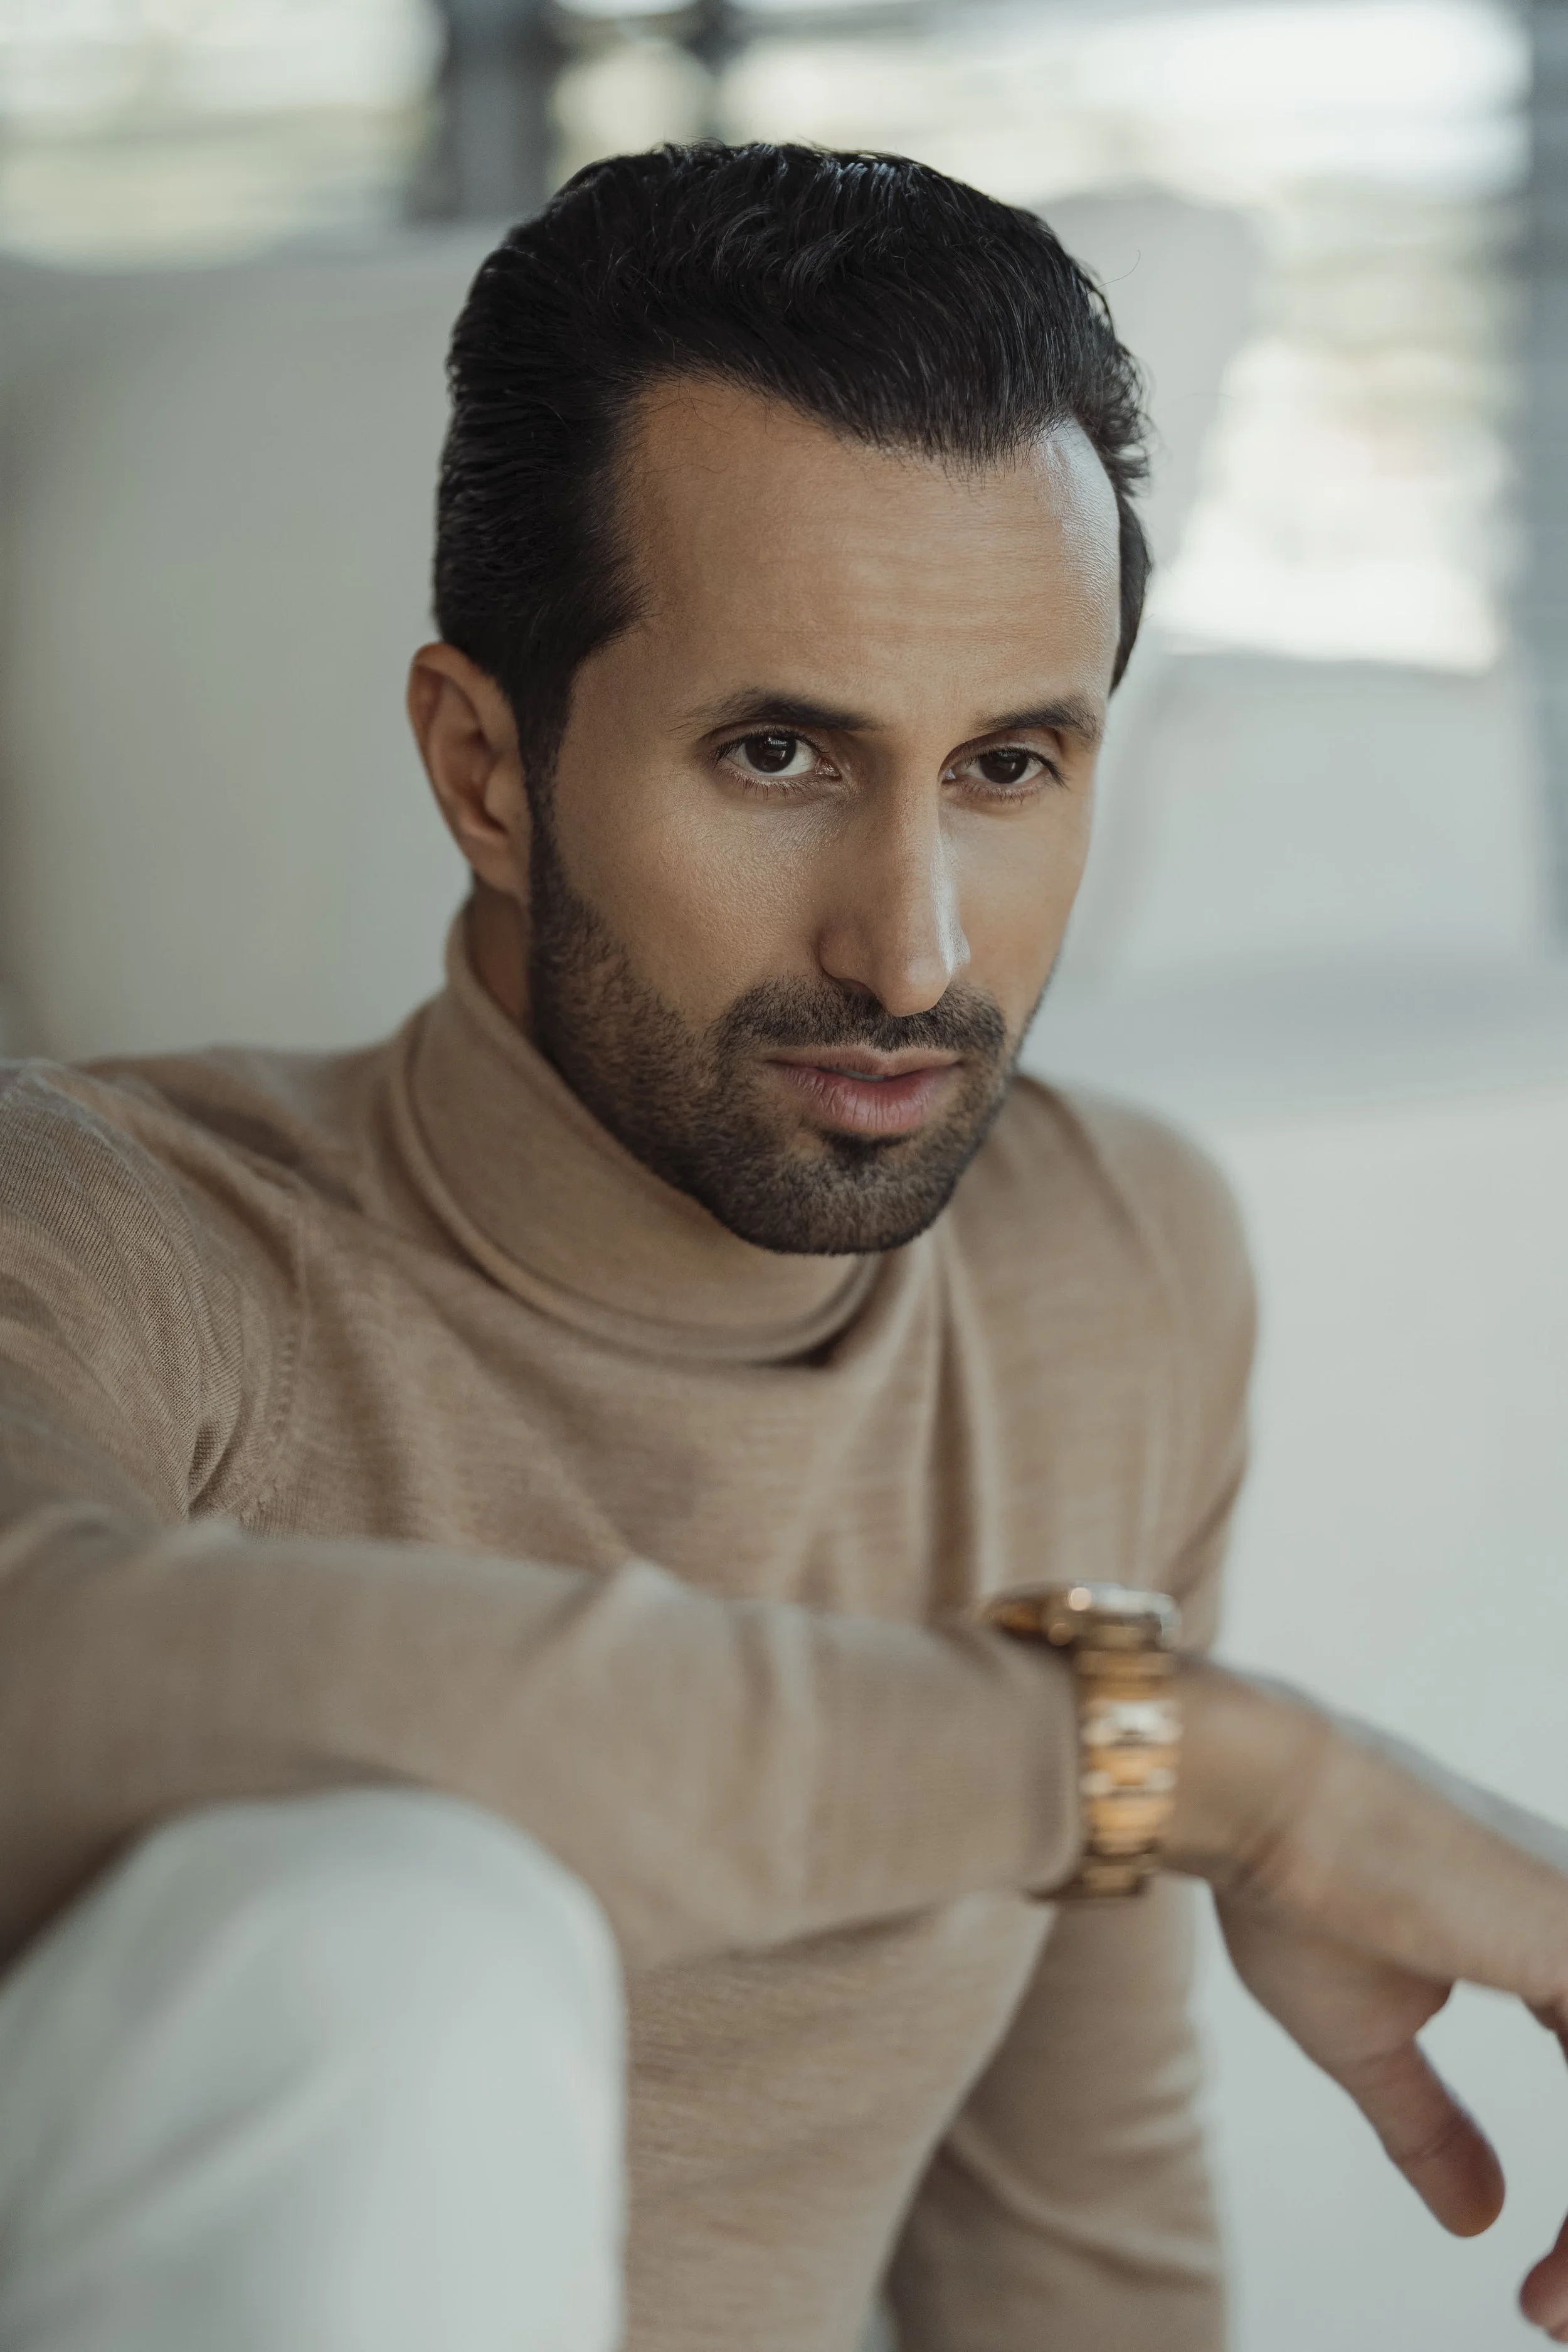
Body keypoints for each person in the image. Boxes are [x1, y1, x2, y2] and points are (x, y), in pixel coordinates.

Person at [0, 141, 1565, 2352]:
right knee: (394, 1928)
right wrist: (1193, 1766)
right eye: (774, 752)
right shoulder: (106, 1237)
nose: (912, 949)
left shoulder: (1101, 1261)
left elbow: (1062, 2239)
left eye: (1010, 764)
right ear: (484, 768)